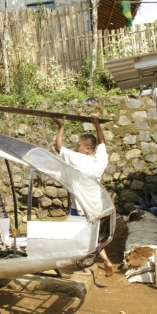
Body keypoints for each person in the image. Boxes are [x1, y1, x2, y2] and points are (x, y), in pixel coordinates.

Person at [53, 115, 114, 278]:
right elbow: (102, 143)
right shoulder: (100, 160)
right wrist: (96, 124)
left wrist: (61, 127)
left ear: (87, 148)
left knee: (80, 239)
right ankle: (107, 261)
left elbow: (58, 147)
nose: (77, 148)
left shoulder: (79, 160)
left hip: (80, 208)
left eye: (79, 145)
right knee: (94, 237)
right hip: (96, 207)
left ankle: (85, 267)